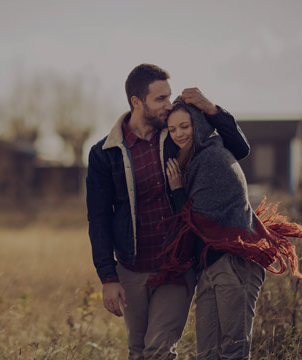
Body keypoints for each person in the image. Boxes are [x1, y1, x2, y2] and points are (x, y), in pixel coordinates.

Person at [86, 63, 251, 359]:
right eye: (160, 98)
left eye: (169, 96)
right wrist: (108, 276)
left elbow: (237, 148)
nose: (169, 104)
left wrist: (211, 108)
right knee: (138, 351)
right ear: (137, 102)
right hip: (131, 267)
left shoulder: (176, 135)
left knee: (159, 350)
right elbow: (98, 218)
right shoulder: (105, 153)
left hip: (175, 266)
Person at [159, 97, 302, 359]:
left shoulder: (212, 158)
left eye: (184, 126)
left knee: (234, 353)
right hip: (211, 265)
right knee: (207, 354)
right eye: (172, 129)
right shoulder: (195, 160)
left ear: (197, 124)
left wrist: (176, 191)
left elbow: (194, 220)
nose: (178, 134)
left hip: (233, 264)